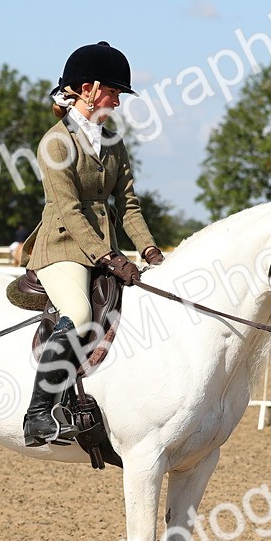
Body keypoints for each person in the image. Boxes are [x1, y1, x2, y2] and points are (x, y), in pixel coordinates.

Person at [19, 41, 165, 447]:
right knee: (80, 311)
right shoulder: (55, 143)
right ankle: (38, 416)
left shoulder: (113, 142)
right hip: (63, 246)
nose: (117, 102)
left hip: (105, 246)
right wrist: (108, 256)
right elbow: (67, 209)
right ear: (87, 89)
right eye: (114, 92)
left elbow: (129, 204)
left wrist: (151, 251)